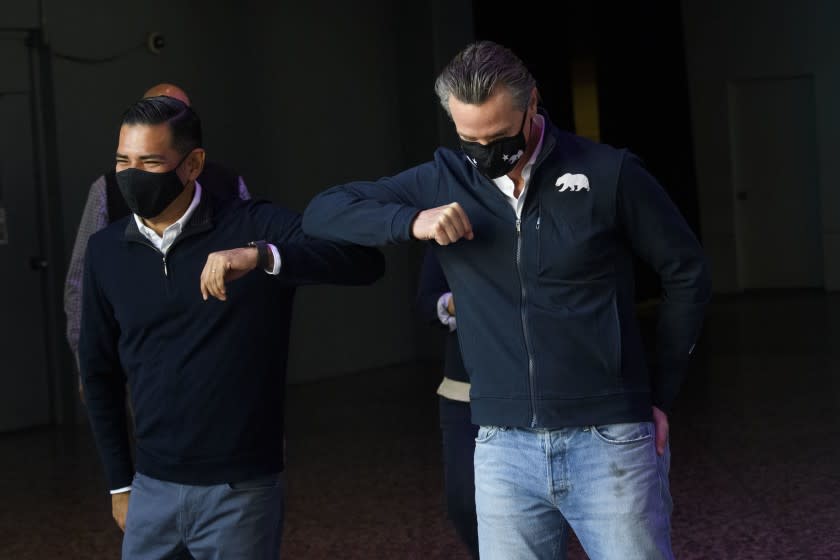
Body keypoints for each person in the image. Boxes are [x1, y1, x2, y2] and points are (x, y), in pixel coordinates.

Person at [302, 40, 711, 559]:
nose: (484, 154)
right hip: (501, 444)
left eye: (497, 137)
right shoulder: (443, 179)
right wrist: (411, 220)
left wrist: (662, 390)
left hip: (608, 438)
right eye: (469, 139)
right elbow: (323, 210)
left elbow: (687, 271)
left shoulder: (609, 174)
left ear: (532, 104)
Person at [79, 95, 384, 559]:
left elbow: (364, 262)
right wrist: (120, 484)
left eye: (151, 161)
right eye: (123, 160)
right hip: (150, 489)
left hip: (240, 490)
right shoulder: (104, 253)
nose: (131, 175)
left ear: (193, 164)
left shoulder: (252, 223)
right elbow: (98, 372)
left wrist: (262, 255)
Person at [64, 83, 250, 400]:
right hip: (142, 365)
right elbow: (80, 283)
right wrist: (89, 367)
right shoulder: (107, 190)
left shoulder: (229, 184)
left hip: (220, 363)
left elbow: (258, 266)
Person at [415, 249, 478, 559]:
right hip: (463, 393)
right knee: (465, 504)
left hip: (538, 391)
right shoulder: (450, 214)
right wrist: (456, 303)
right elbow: (427, 301)